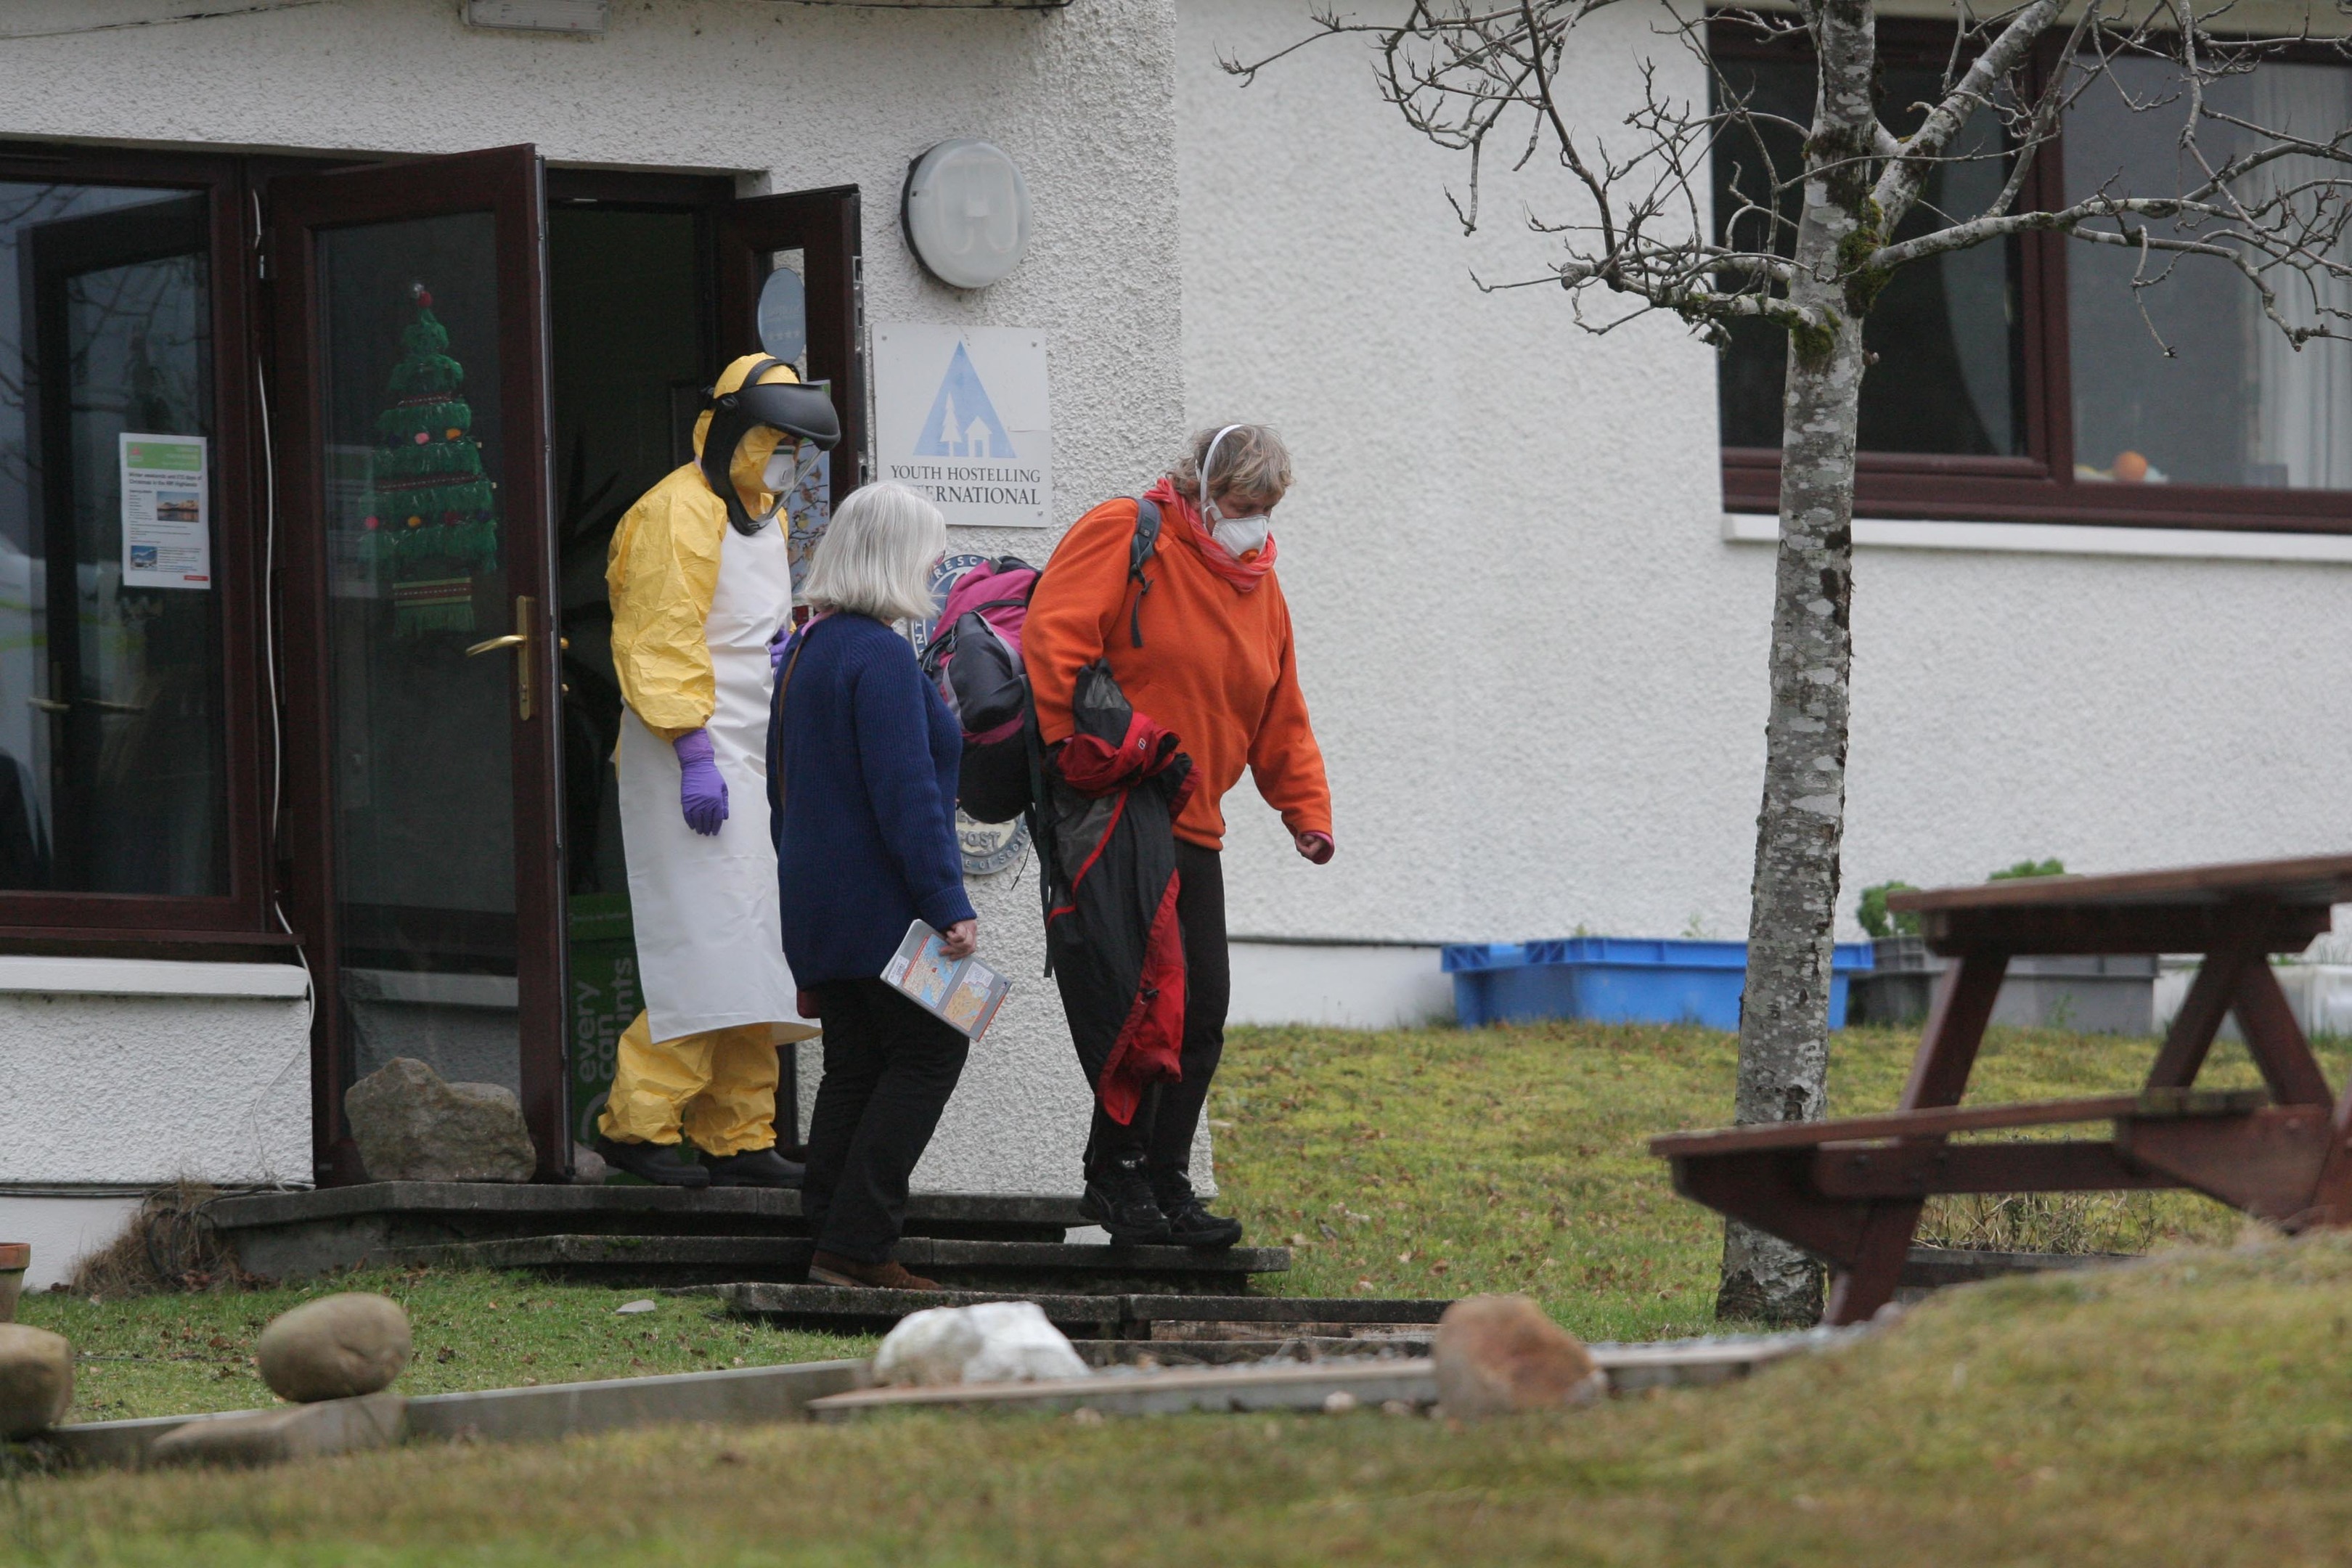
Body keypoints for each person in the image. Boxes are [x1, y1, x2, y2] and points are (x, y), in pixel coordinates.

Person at [1024, 424, 1334, 1246]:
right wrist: (1076, 752)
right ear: (1199, 491)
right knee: (1142, 1007)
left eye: (1269, 509)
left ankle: (1167, 1178)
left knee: (1200, 1015)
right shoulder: (1128, 533)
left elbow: (1281, 713)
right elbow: (1053, 637)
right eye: (1242, 505)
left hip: (1197, 821)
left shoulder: (1260, 588)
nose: (1256, 524)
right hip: (1125, 806)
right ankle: (1117, 1177)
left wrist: (1305, 812)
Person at [593, 354, 838, 1189]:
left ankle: (739, 1131)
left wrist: (780, 649)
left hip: (749, 746)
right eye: (777, 442)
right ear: (736, 429)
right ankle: (637, 1123)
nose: (787, 462)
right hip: (685, 756)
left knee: (752, 940)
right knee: (706, 943)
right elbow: (656, 642)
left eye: (797, 449)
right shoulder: (673, 514)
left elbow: (745, 625)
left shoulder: (759, 515)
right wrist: (694, 751)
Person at [772, 481, 977, 1291]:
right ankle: (861, 1243)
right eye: (927, 549)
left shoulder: (809, 650)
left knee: (857, 1065)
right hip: (887, 906)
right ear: (896, 556)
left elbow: (778, 791)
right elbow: (908, 793)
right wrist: (948, 904)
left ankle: (828, 1235)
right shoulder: (882, 655)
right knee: (933, 1047)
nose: (933, 563)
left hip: (822, 906)